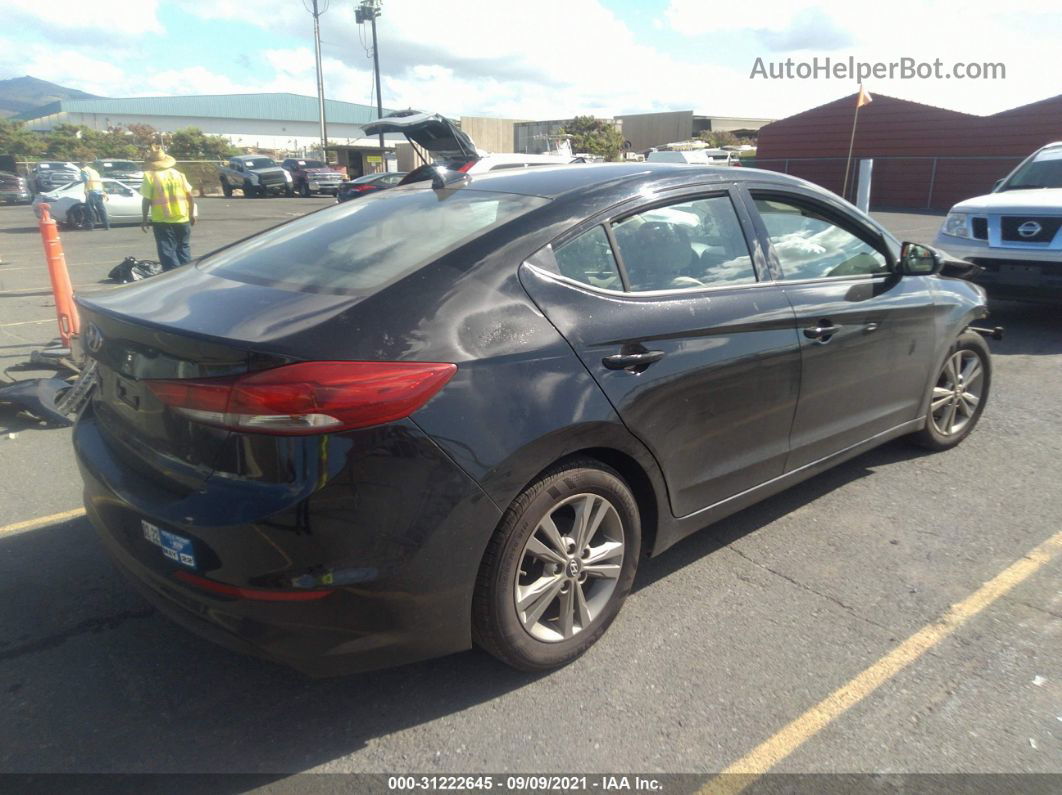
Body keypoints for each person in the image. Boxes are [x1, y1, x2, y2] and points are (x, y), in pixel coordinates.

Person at [140, 146, 195, 271]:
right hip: (182, 218)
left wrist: (144, 219)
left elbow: (146, 199)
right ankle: (187, 273)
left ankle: (173, 276)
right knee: (183, 247)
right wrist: (191, 214)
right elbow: (190, 196)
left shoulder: (150, 176)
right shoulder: (179, 175)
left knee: (167, 251)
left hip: (162, 220)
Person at [79, 162, 109, 231]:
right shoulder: (94, 171)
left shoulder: (83, 170)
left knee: (89, 210)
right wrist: (104, 192)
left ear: (80, 166)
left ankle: (90, 226)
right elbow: (99, 182)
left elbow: (85, 180)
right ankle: (106, 225)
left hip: (91, 192)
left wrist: (85, 190)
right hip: (99, 192)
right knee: (101, 209)